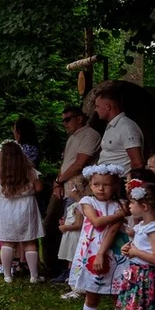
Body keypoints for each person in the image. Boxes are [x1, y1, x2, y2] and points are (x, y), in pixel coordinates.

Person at [70, 164, 130, 310]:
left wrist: (103, 253)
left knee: (118, 297)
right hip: (90, 251)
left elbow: (113, 229)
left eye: (106, 185)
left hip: (114, 253)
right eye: (96, 184)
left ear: (115, 186)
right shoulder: (88, 201)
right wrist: (120, 214)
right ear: (91, 185)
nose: (100, 189)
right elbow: (96, 223)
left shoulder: (120, 203)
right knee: (91, 294)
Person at [45, 106, 102, 281]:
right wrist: (58, 183)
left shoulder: (90, 135)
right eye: (63, 120)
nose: (64, 123)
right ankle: (57, 267)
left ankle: (73, 271)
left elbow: (79, 163)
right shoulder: (72, 137)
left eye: (68, 119)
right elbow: (66, 163)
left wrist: (59, 180)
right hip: (65, 185)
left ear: (80, 118)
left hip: (78, 188)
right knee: (58, 225)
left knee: (74, 228)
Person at [0, 141, 44, 283]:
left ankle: (7, 275)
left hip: (5, 208)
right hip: (26, 207)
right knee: (29, 241)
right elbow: (39, 188)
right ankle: (34, 276)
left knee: (7, 241)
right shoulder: (29, 171)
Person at [94, 82, 144, 171]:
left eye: (97, 106)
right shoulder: (111, 125)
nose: (95, 109)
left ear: (108, 107)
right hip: (107, 179)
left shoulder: (127, 127)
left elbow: (137, 163)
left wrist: (130, 183)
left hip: (120, 181)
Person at [57, 177, 87, 300]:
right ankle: (72, 282)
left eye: (69, 188)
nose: (67, 191)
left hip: (75, 237)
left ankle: (76, 286)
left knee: (74, 259)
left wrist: (65, 227)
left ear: (75, 190)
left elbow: (78, 225)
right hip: (71, 235)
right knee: (71, 260)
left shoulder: (80, 207)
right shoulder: (76, 205)